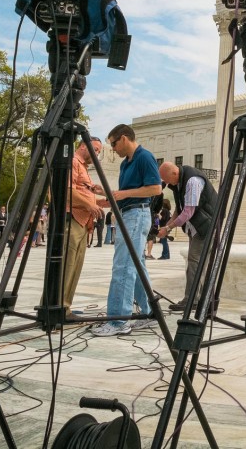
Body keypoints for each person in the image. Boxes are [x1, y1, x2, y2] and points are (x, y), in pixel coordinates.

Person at [91, 124, 161, 337]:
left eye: (113, 144)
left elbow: (156, 188)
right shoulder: (125, 164)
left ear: (124, 138)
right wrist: (108, 196)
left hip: (137, 215)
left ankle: (118, 319)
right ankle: (149, 313)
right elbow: (125, 193)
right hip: (128, 213)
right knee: (136, 265)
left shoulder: (144, 157)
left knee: (123, 266)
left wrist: (121, 195)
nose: (113, 149)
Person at [158, 162, 218, 313]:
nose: (166, 183)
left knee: (194, 262)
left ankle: (191, 300)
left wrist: (168, 228)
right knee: (199, 263)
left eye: (166, 179)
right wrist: (167, 227)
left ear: (174, 174)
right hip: (197, 227)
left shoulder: (192, 181)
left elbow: (188, 212)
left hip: (205, 227)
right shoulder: (180, 182)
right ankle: (203, 300)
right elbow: (180, 209)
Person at [62, 138, 105, 319]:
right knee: (67, 265)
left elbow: (81, 191)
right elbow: (67, 190)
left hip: (81, 221)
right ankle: (59, 308)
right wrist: (89, 204)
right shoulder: (73, 161)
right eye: (94, 150)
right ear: (82, 146)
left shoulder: (83, 167)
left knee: (75, 266)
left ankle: (65, 307)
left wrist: (99, 198)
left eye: (98, 151)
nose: (96, 154)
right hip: (72, 218)